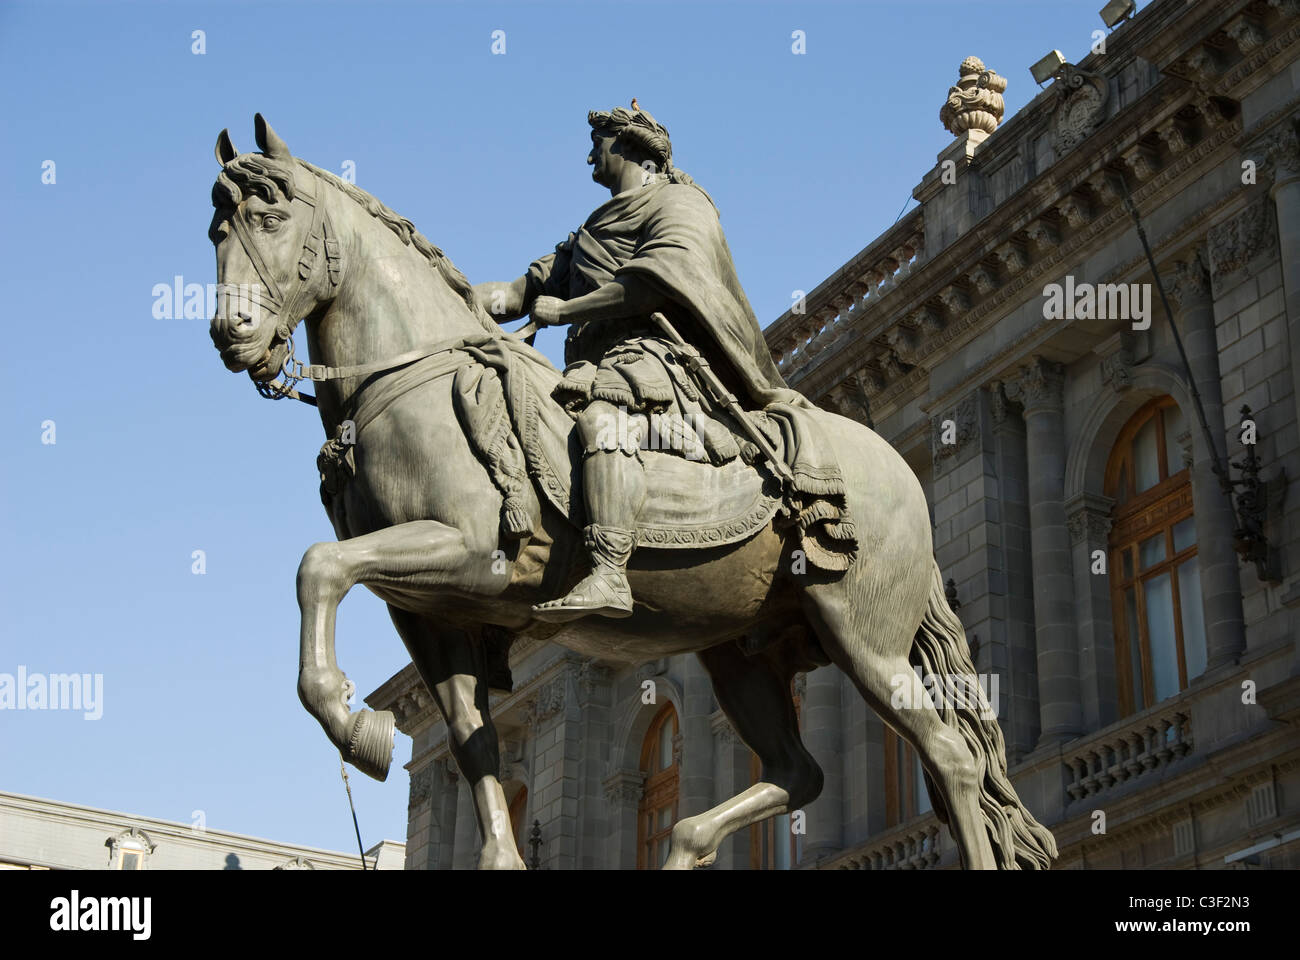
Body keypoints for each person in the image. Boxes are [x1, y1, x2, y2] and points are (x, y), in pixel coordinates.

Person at [474, 104, 807, 622]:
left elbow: (657, 279)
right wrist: (445, 294)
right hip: (596, 364)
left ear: (628, 146)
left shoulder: (680, 203)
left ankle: (609, 571)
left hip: (660, 360)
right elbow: (517, 293)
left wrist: (567, 309)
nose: (589, 154)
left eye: (597, 142)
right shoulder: (587, 233)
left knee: (602, 423)